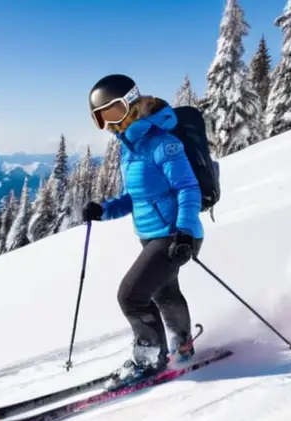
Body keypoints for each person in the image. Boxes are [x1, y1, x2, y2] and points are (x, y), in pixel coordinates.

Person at [82, 74, 204, 387]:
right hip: (152, 235)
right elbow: (135, 199)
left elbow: (188, 187)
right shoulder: (130, 148)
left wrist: (186, 232)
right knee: (164, 291)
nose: (108, 124)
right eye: (100, 118)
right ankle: (182, 344)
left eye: (112, 113)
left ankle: (150, 358)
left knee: (131, 296)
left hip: (176, 235)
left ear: (131, 103)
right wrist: (105, 209)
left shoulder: (163, 143)